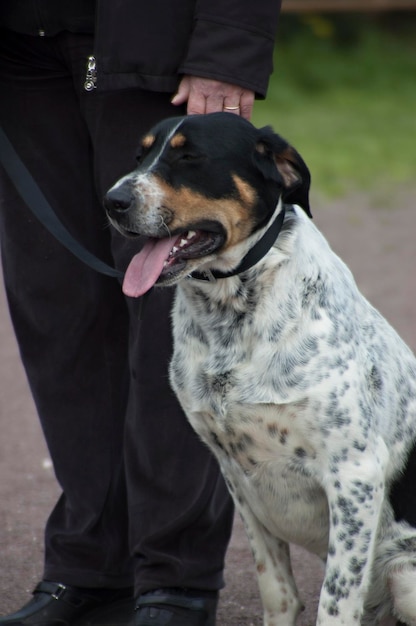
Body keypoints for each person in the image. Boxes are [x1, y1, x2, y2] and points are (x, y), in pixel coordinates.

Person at [0, 1, 282, 624]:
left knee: (171, 313)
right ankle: (92, 565)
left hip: (150, 40)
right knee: (57, 306)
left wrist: (228, 46)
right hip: (20, 52)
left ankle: (175, 576)